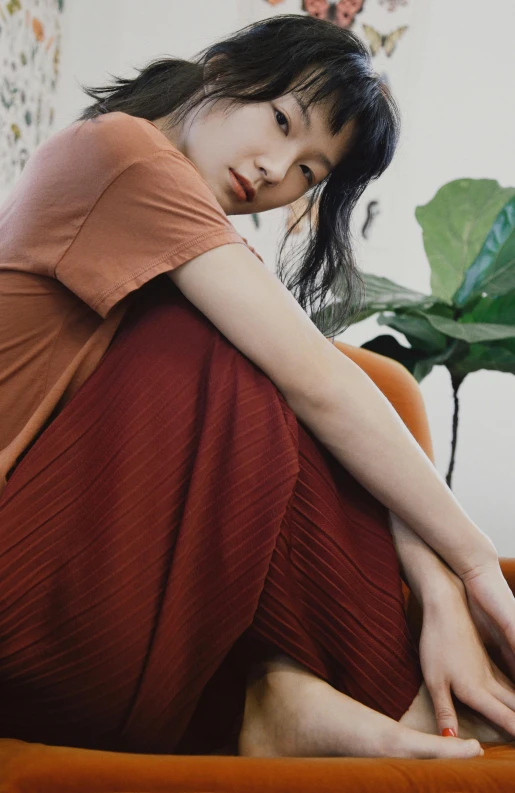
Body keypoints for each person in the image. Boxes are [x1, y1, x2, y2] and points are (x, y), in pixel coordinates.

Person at [1, 13, 515, 760]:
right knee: (221, 350)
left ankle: (274, 695)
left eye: (308, 171)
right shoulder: (120, 153)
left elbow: (318, 387)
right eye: (280, 121)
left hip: (96, 621)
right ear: (223, 70)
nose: (275, 171)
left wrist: (439, 588)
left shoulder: (179, 236)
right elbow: (317, 382)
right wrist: (470, 566)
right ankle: (367, 695)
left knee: (249, 356)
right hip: (29, 604)